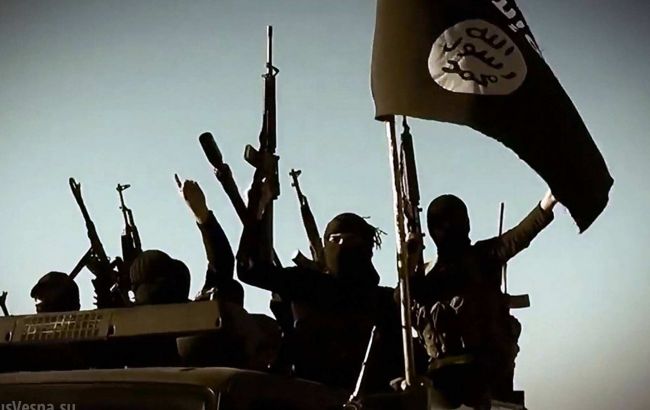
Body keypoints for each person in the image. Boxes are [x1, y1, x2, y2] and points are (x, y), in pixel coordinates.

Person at [414, 189, 558, 406]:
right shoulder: (425, 275)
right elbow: (400, 303)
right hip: (445, 381)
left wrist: (547, 203)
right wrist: (409, 262)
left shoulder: (482, 257)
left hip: (484, 375)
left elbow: (518, 237)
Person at [237, 212, 403, 391]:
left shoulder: (384, 299)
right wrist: (258, 210)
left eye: (350, 240)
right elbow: (250, 270)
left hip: (367, 396)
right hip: (309, 394)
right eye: (335, 240)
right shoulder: (308, 284)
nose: (341, 246)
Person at [175, 176, 280, 370]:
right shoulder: (226, 333)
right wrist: (203, 215)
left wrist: (204, 216)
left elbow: (222, 267)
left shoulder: (170, 336)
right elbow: (224, 267)